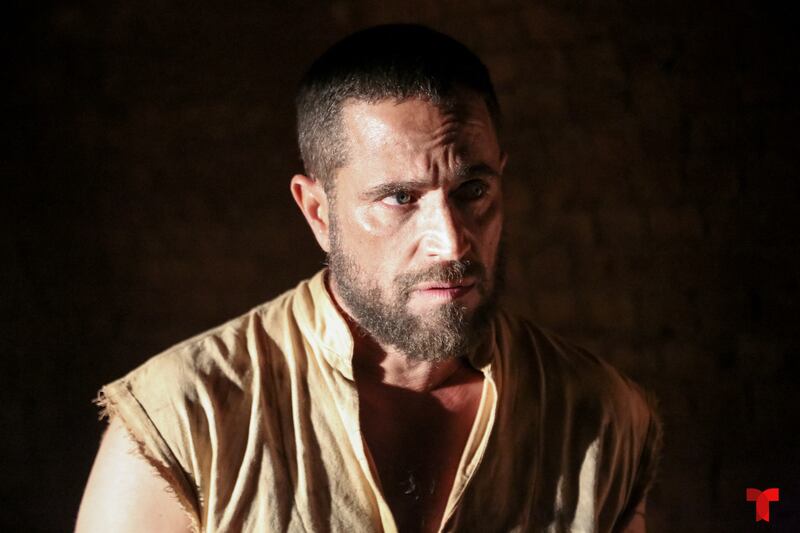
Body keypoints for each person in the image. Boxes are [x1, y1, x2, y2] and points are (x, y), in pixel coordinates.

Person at [76, 24, 661, 533]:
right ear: (318, 212)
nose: (451, 241)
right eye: (400, 198)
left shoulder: (602, 414)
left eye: (473, 190)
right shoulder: (180, 423)